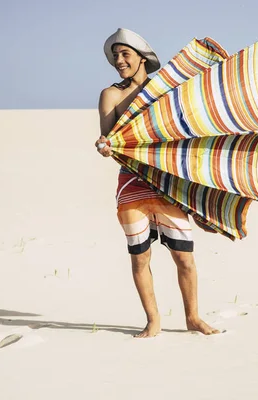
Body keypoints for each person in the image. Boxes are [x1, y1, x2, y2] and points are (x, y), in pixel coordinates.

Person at [95, 28, 219, 338]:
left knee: (184, 257)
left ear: (142, 58)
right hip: (131, 186)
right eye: (115, 56)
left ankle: (193, 317)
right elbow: (110, 144)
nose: (119, 60)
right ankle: (153, 321)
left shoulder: (164, 89)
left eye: (125, 54)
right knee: (140, 257)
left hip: (166, 184)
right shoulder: (111, 95)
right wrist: (104, 146)